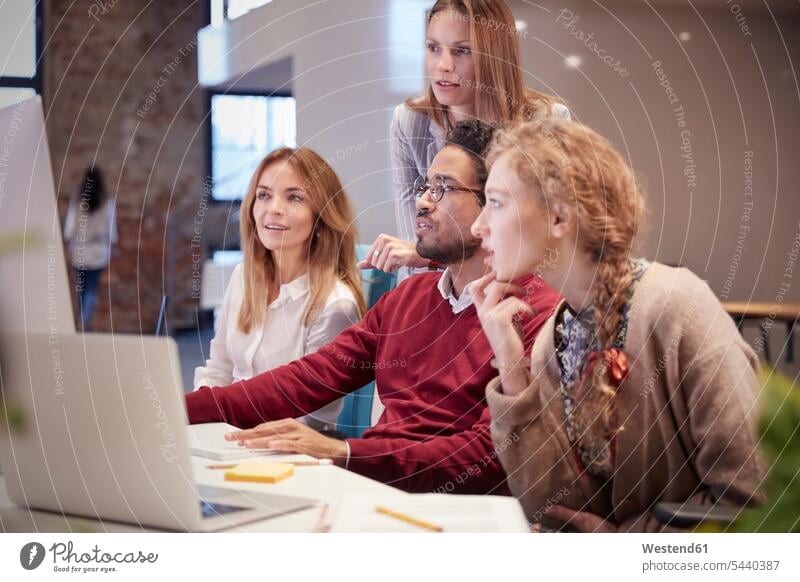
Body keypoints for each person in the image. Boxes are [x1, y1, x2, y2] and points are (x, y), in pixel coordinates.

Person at [186, 120, 562, 494]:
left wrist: (347, 453)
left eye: (442, 188)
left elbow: (490, 455)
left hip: (448, 510)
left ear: (494, 204)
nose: (422, 201)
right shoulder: (408, 298)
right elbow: (305, 379)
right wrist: (179, 411)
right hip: (372, 487)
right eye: (425, 187)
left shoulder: (537, 316)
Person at [470, 118, 766, 531]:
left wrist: (625, 544)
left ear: (558, 218)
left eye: (496, 202)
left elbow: (754, 499)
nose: (477, 226)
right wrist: (510, 365)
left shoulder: (677, 305)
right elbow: (551, 508)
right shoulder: (551, 343)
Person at [359, 0, 570, 280]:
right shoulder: (409, 122)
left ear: (494, 56)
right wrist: (425, 256)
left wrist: (429, 257)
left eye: (462, 51)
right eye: (433, 48)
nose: (443, 66)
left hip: (521, 290)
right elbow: (415, 244)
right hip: (437, 292)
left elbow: (553, 244)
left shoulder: (546, 122)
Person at [194, 148, 366, 431]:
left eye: (294, 197)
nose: (273, 208)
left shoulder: (335, 305)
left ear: (320, 216)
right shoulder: (242, 277)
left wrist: (217, 416)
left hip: (287, 453)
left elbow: (307, 418)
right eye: (263, 195)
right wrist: (203, 415)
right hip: (227, 433)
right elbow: (218, 371)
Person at [64, 167, 117, 331]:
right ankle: (85, 322)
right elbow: (112, 234)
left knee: (80, 289)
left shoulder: (77, 203)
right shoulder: (107, 204)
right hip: (98, 253)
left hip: (79, 251)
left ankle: (80, 322)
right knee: (92, 289)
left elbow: (68, 231)